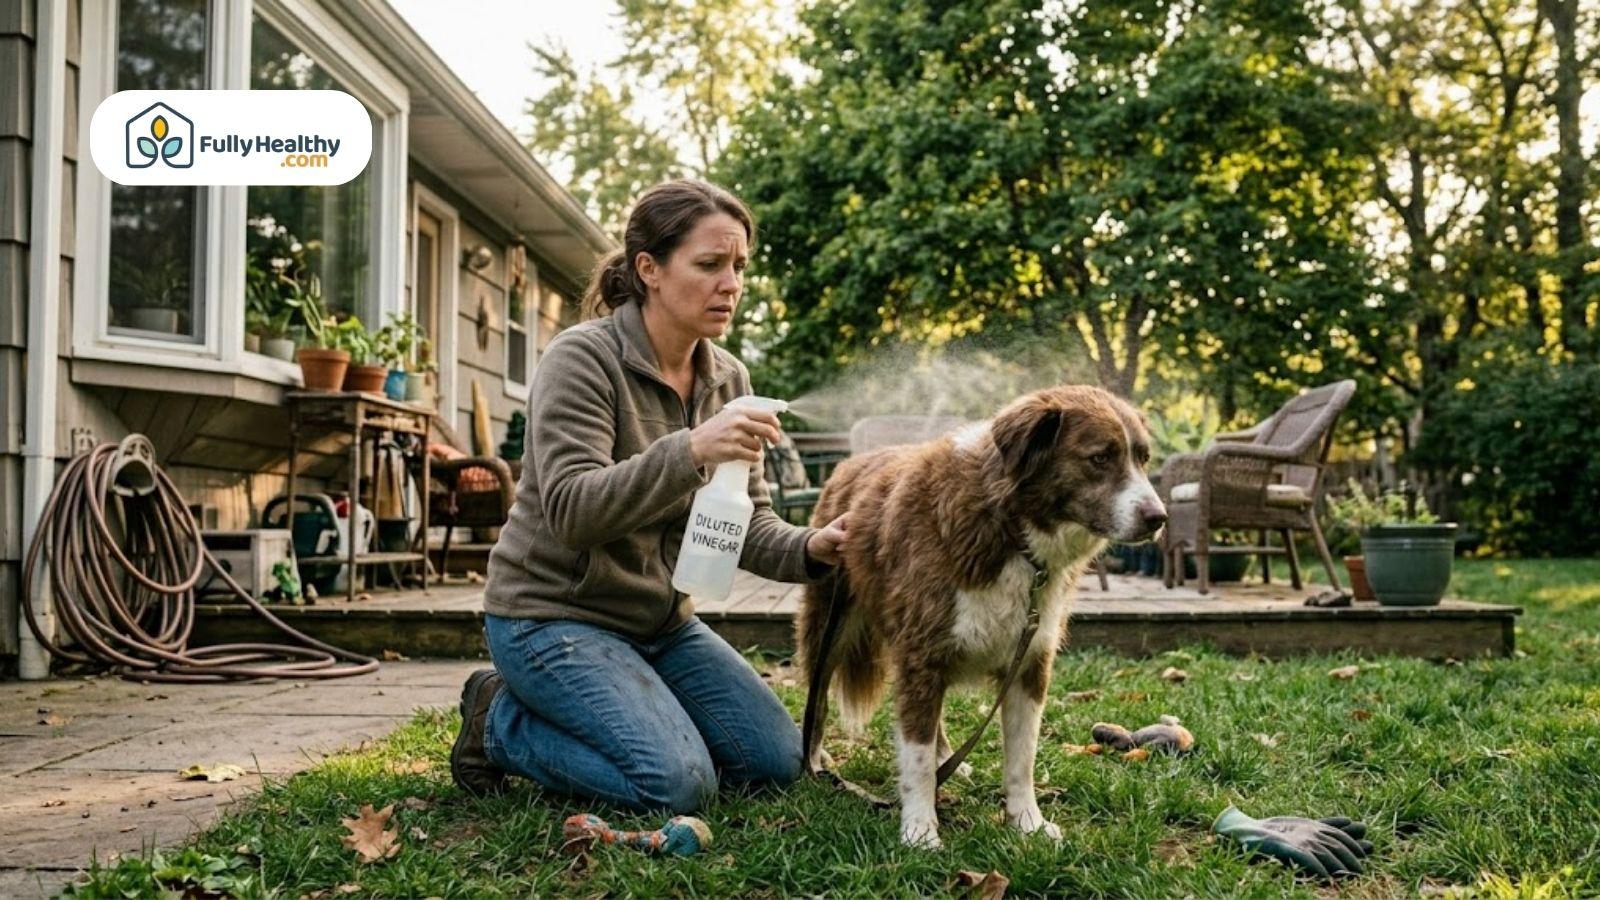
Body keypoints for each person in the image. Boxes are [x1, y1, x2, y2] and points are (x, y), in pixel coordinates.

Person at [449, 179, 849, 814]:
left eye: (739, 267)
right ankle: (499, 723)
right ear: (649, 269)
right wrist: (691, 449)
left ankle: (638, 710)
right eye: (710, 264)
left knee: (774, 762)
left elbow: (743, 522)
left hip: (659, 624)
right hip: (551, 618)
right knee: (677, 784)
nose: (731, 284)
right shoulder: (582, 358)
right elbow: (573, 512)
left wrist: (816, 548)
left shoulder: (728, 379)